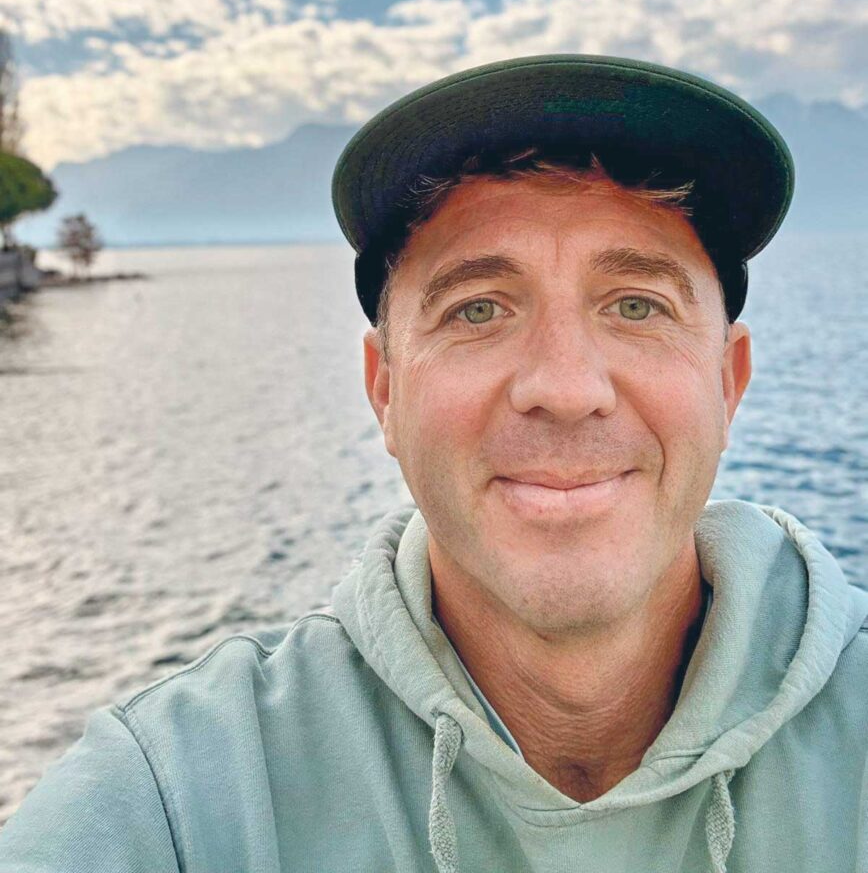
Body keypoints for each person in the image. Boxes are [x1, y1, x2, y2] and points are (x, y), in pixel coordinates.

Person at [1, 55, 866, 873]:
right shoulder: (179, 796)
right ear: (385, 390)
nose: (566, 389)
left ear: (727, 382)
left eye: (636, 306)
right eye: (478, 309)